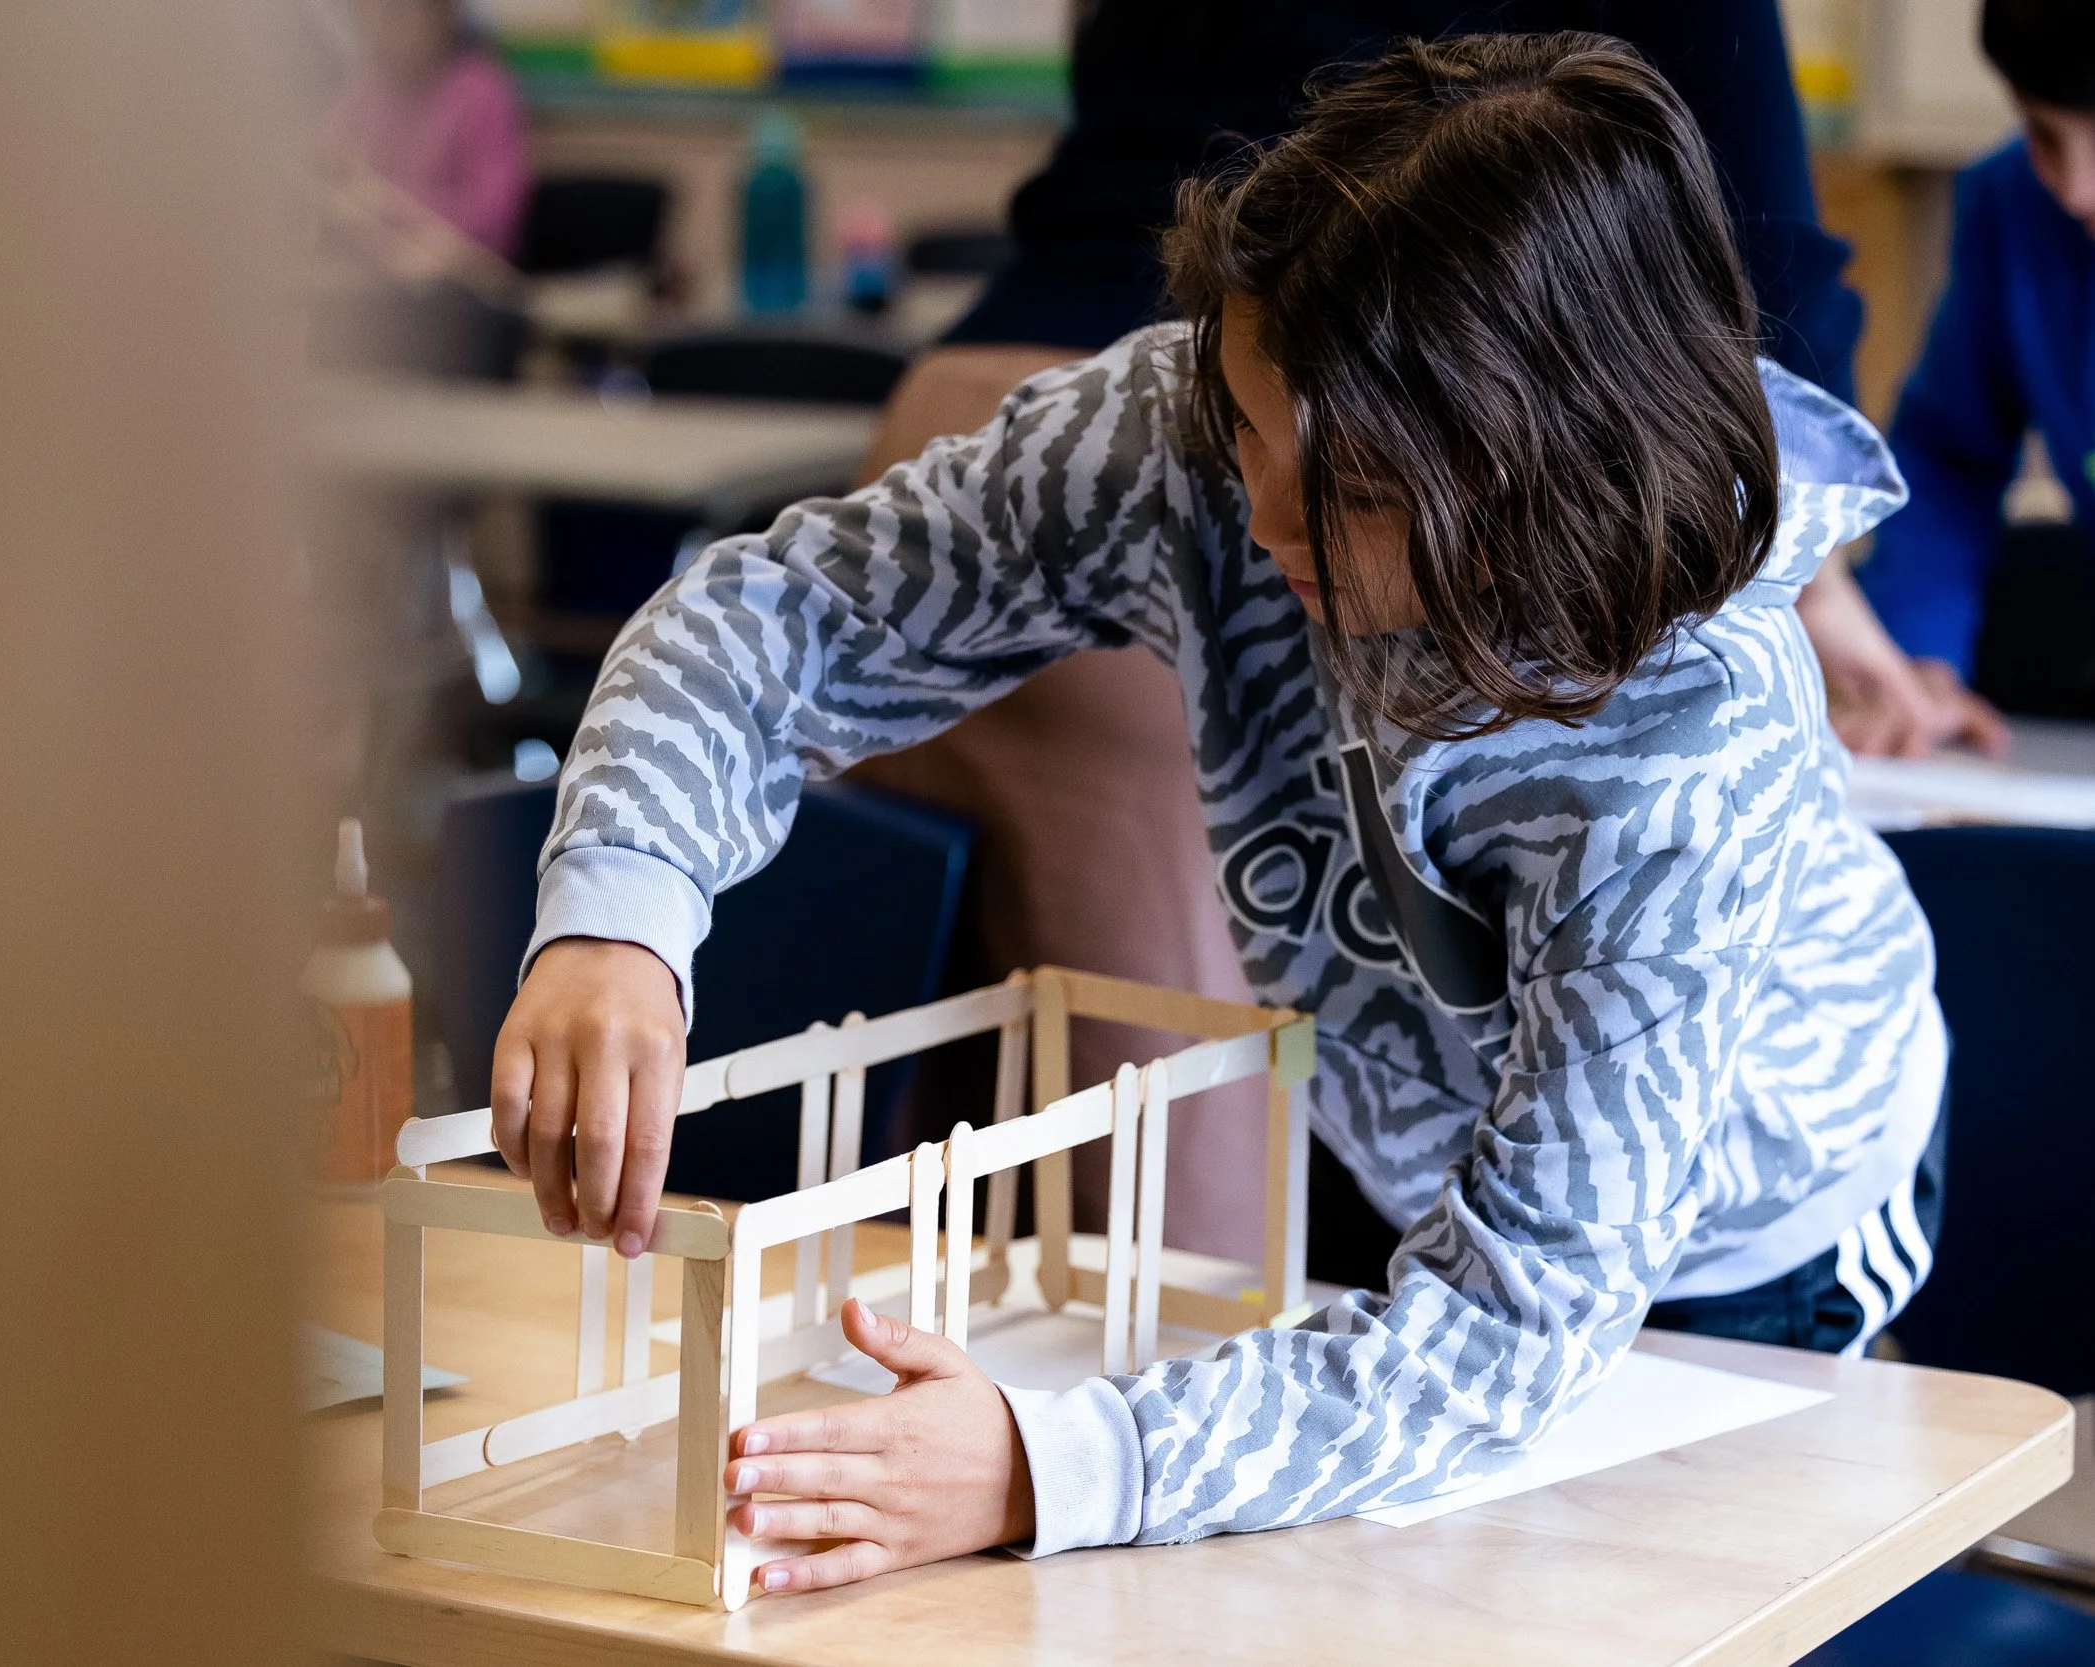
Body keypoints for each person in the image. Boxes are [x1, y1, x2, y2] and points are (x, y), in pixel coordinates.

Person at [493, 36, 1947, 1591]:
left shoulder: (1694, 732)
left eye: (1352, 488)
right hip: (1423, 1140)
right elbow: (794, 609)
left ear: (1526, 476)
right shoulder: (1221, 426)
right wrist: (619, 909)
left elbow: (1514, 1326)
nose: (1258, 520)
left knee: (1585, 1595)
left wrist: (1046, 1461)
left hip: (1745, 1240)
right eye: (1253, 435)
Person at [1831, 0, 2095, 737]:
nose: (2076, 188)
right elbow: (1951, 455)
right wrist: (1920, 661)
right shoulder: (2013, 206)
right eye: (2043, 133)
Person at [324, 0, 530, 264]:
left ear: (440, 15)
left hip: (454, 286)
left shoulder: (481, 93)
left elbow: (494, 218)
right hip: (372, 277)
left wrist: (389, 206)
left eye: (393, 13)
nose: (376, 31)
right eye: (365, 16)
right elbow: (324, 173)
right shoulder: (363, 97)